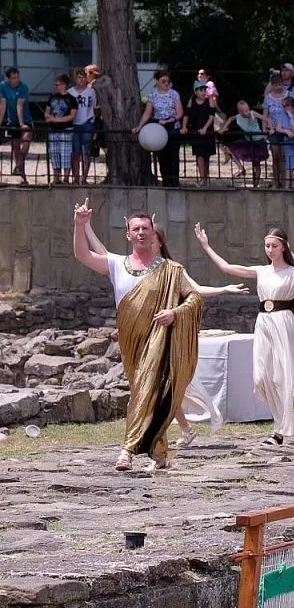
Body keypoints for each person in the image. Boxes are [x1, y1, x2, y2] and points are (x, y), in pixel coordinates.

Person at [71, 201, 240, 470]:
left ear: (153, 233)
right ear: (128, 234)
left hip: (160, 341)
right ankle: (159, 452)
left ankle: (127, 450)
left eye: (146, 228)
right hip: (131, 342)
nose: (141, 232)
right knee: (145, 393)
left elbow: (194, 297)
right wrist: (80, 226)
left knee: (145, 391)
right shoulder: (117, 264)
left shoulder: (171, 270)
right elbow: (83, 255)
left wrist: (175, 313)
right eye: (136, 228)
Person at [194, 225, 294, 445]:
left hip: (283, 322)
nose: (270, 250)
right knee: (261, 378)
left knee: (281, 375)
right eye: (267, 245)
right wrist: (205, 245)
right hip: (263, 323)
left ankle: (279, 431)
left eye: (274, 245)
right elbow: (226, 267)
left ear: (283, 247)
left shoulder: (293, 273)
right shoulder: (261, 271)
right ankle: (292, 410)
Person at [133, 70, 184, 187]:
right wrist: (139, 126)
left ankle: (174, 181)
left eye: (168, 81)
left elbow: (180, 111)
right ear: (157, 82)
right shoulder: (153, 95)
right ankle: (166, 180)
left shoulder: (174, 94)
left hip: (172, 127)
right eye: (163, 81)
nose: (166, 84)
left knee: (173, 156)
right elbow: (147, 113)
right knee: (162, 156)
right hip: (159, 128)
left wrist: (173, 119)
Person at [221, 100, 268, 189]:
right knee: (230, 148)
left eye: (248, 109)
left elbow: (265, 119)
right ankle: (241, 168)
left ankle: (256, 184)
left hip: (258, 140)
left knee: (256, 163)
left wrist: (269, 130)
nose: (247, 112)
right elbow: (230, 119)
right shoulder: (238, 117)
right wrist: (224, 128)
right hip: (248, 141)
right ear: (240, 112)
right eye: (245, 111)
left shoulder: (253, 113)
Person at [1, 67, 33, 184]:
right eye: (14, 78)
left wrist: (22, 124)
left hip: (26, 119)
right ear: (9, 79)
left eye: (18, 77)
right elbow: (3, 105)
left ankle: (19, 166)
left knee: (26, 141)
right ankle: (21, 173)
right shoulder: (3, 87)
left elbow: (20, 106)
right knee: (15, 147)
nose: (17, 80)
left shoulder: (23, 87)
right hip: (12, 120)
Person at [180, 82, 216, 186]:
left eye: (204, 90)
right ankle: (202, 178)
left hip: (207, 131)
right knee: (199, 155)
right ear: (195, 91)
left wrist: (205, 128)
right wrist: (184, 126)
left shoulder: (209, 100)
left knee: (206, 156)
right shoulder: (192, 101)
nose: (203, 92)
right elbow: (187, 114)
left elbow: (211, 117)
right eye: (201, 90)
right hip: (196, 131)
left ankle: (205, 178)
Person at [44, 74, 78, 185]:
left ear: (64, 85)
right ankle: (56, 177)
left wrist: (57, 120)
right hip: (53, 130)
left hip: (66, 129)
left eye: (57, 85)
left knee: (65, 154)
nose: (56, 87)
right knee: (54, 154)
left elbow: (72, 115)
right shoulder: (52, 97)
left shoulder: (72, 99)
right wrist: (48, 117)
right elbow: (47, 111)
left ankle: (66, 178)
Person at [69, 68, 97, 185]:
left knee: (87, 151)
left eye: (83, 77)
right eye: (79, 77)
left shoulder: (91, 92)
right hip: (74, 123)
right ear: (75, 79)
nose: (81, 80)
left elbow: (94, 107)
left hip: (87, 122)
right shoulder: (70, 92)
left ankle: (84, 176)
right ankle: (75, 177)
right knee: (75, 152)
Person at [264, 76, 291, 188]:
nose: (278, 85)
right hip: (273, 131)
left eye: (279, 83)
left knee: (285, 156)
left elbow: (293, 111)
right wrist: (264, 131)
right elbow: (265, 115)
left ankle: (286, 182)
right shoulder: (268, 98)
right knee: (275, 156)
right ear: (272, 85)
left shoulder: (288, 95)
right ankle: (276, 182)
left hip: (286, 130)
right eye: (275, 83)